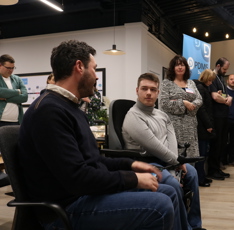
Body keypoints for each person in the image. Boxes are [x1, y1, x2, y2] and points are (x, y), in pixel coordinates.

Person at [18, 40, 180, 230]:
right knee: (160, 207)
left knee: (168, 192)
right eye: (94, 69)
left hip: (83, 197)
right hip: (66, 210)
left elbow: (93, 161)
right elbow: (78, 178)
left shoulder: (70, 108)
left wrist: (130, 164)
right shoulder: (48, 111)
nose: (96, 77)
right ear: (79, 67)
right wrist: (133, 178)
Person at [123, 73, 206, 230]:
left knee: (192, 173)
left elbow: (171, 140)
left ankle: (195, 224)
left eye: (153, 89)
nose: (149, 93)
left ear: (158, 93)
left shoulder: (161, 114)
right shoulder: (133, 117)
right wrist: (175, 163)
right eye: (144, 89)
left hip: (165, 161)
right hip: (146, 164)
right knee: (173, 184)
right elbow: (155, 146)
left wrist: (177, 163)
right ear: (137, 90)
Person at [160, 55, 202, 159]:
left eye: (182, 65)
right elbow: (164, 103)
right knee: (176, 156)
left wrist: (192, 105)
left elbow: (199, 99)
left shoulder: (191, 83)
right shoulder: (166, 83)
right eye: (177, 65)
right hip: (174, 125)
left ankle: (191, 174)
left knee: (191, 156)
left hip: (191, 124)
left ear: (186, 68)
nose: (180, 67)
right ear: (172, 68)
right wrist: (183, 103)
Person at [0, 54, 28, 187]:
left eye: (13, 68)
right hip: (1, 120)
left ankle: (15, 178)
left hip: (16, 122)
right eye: (8, 68)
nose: (11, 70)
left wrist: (7, 96)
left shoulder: (16, 79)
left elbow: (24, 97)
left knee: (15, 152)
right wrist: (16, 92)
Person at [207, 57, 232, 180]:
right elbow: (215, 96)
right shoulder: (212, 77)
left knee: (222, 143)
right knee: (216, 144)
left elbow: (225, 95)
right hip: (216, 116)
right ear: (218, 66)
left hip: (223, 115)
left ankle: (217, 168)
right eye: (224, 69)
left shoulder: (221, 78)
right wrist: (226, 101)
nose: (225, 71)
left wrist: (227, 98)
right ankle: (212, 170)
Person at [193, 69, 216, 187]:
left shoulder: (201, 88)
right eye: (210, 80)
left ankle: (202, 176)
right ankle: (200, 179)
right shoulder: (201, 89)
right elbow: (202, 109)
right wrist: (208, 125)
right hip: (202, 127)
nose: (211, 83)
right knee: (201, 154)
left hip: (202, 126)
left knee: (203, 153)